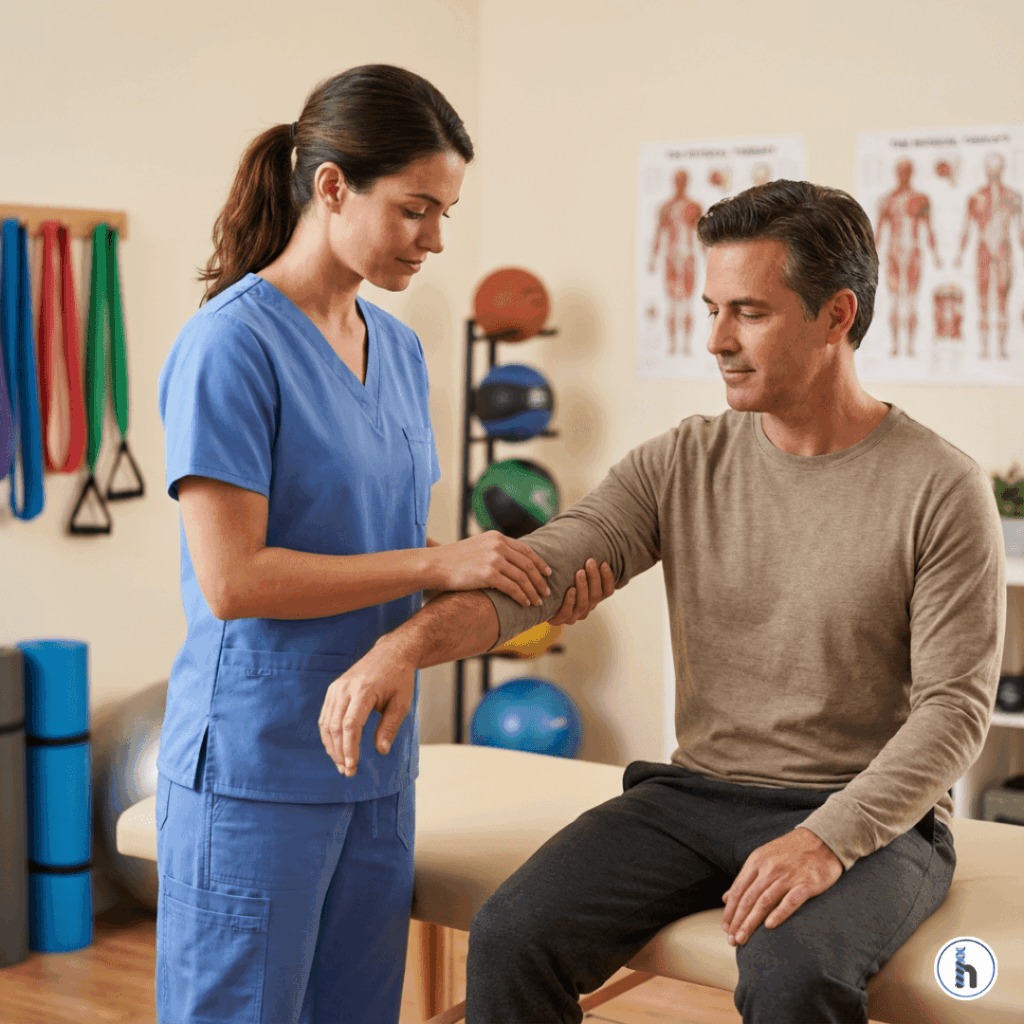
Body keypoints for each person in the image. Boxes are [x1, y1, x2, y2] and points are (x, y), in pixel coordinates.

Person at [321, 180, 1006, 1023]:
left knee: (794, 976)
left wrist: (825, 840)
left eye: (749, 312)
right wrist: (401, 649)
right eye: (711, 307)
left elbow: (953, 713)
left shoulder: (940, 487)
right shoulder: (681, 462)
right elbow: (534, 574)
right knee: (512, 936)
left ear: (836, 316)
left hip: (870, 813)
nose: (716, 339)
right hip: (695, 796)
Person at [156, 64, 612, 1024]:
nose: (436, 239)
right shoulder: (229, 346)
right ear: (331, 187)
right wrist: (442, 561)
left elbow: (385, 546)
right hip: (258, 769)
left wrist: (521, 585)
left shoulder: (397, 351)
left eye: (445, 211)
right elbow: (234, 580)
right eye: (414, 209)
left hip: (376, 764)